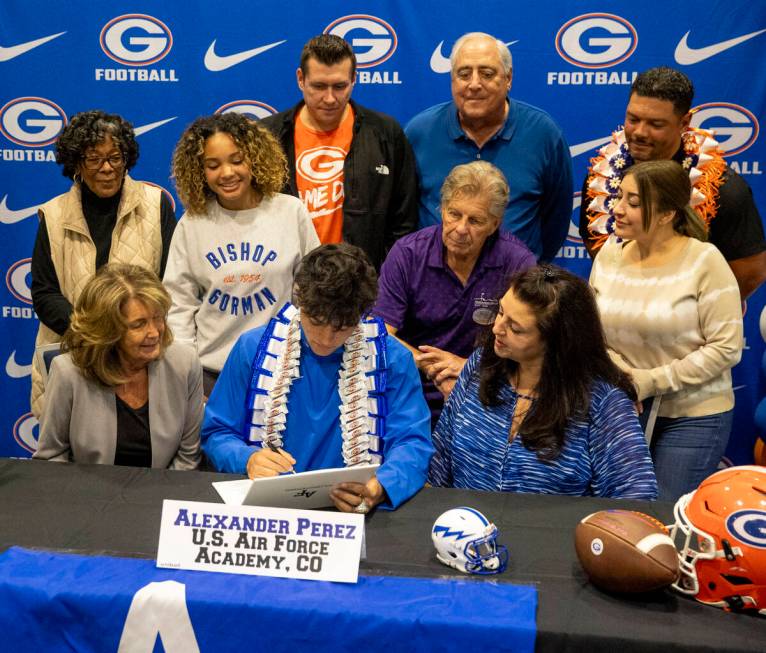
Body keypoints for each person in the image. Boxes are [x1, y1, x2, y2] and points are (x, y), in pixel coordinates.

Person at [202, 244, 433, 512]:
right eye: (315, 321)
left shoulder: (392, 358)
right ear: (300, 303)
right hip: (266, 511)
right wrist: (247, 459)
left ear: (362, 317)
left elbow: (412, 442)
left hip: (354, 511)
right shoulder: (251, 348)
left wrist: (380, 486)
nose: (325, 339)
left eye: (342, 328)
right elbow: (217, 431)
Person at [429, 265, 657, 499]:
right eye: (500, 312)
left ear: (557, 341)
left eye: (515, 329)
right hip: (465, 526)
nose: (497, 328)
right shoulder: (480, 366)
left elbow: (637, 495)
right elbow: (437, 462)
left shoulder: (603, 400)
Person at [590, 160, 743, 501]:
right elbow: (592, 334)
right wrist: (623, 376)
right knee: (617, 516)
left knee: (661, 520)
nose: (618, 208)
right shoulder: (608, 257)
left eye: (633, 202)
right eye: (619, 197)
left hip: (692, 417)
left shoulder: (705, 261)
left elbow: (726, 348)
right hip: (622, 408)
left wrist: (650, 381)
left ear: (666, 214)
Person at [30, 110, 176, 417]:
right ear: (77, 164)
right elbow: (45, 294)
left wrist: (128, 336)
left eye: (115, 157)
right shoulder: (53, 215)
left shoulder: (155, 204)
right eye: (94, 159)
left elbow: (169, 284)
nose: (107, 168)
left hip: (139, 361)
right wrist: (97, 335)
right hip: (73, 356)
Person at [164, 113, 319, 396]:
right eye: (213, 165)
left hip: (283, 373)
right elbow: (178, 306)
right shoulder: (193, 223)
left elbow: (312, 292)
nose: (226, 173)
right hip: (213, 377)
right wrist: (186, 375)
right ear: (200, 170)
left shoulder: (290, 211)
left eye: (237, 160)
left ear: (255, 159)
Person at [579, 66, 766, 300]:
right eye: (633, 119)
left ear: (684, 122)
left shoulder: (723, 189)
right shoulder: (602, 179)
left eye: (656, 124)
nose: (639, 132)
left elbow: (751, 270)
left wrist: (692, 310)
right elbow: (595, 244)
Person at [374, 161, 535, 426]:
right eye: (454, 214)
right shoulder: (408, 253)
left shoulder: (517, 263)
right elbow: (380, 332)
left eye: (475, 221)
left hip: (488, 392)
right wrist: (430, 366)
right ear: (441, 209)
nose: (460, 229)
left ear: (494, 224)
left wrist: (469, 369)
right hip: (411, 391)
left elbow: (531, 344)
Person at [405, 32, 572, 261]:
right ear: (452, 80)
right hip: (432, 285)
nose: (474, 84)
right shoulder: (419, 132)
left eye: (486, 73)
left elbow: (556, 221)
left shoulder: (544, 134)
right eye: (464, 74)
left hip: (516, 286)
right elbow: (403, 214)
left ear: (508, 77)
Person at [259, 34, 417, 269]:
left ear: (354, 79)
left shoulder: (386, 134)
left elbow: (403, 222)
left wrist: (381, 281)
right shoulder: (268, 137)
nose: (330, 98)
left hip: (363, 289)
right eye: (319, 86)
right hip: (286, 286)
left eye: (340, 86)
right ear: (301, 79)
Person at [34, 264, 202, 469]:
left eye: (157, 318)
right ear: (107, 330)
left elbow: (188, 456)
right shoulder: (68, 372)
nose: (154, 332)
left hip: (163, 492)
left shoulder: (184, 364)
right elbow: (51, 457)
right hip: (88, 494)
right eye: (138, 324)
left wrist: (161, 498)